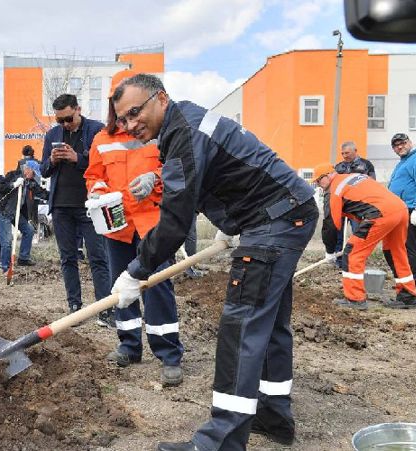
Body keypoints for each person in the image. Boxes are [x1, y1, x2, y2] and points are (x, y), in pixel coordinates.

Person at [109, 74, 318, 451]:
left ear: (161, 98)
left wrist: (135, 271)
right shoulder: (185, 124)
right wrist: (234, 226)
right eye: (123, 119)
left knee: (241, 325)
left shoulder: (183, 131)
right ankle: (274, 416)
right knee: (268, 323)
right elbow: (220, 176)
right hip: (282, 214)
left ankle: (218, 442)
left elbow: (174, 221)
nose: (130, 124)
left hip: (275, 220)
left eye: (135, 112)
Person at [85, 69, 183, 380]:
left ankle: (168, 353)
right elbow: (93, 176)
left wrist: (154, 179)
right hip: (116, 224)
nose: (128, 117)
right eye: (121, 110)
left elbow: (177, 172)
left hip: (151, 223)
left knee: (156, 286)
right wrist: (98, 192)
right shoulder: (101, 139)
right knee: (121, 286)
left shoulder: (158, 134)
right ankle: (129, 345)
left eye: (133, 109)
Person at [40, 93, 111, 316]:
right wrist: (52, 160)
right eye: (60, 120)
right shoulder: (52, 134)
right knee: (67, 257)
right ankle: (74, 306)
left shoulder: (97, 130)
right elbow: (43, 170)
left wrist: (77, 158)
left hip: (90, 204)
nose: (65, 124)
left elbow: (105, 165)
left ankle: (104, 308)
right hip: (61, 206)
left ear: (78, 109)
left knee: (98, 257)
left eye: (68, 118)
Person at [314, 163, 416, 310]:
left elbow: (331, 225)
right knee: (395, 252)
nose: (319, 186)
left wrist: (330, 251)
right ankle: (408, 296)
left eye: (319, 181)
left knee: (352, 253)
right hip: (400, 209)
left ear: (327, 176)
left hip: (380, 214)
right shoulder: (352, 177)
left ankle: (355, 299)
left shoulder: (334, 190)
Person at [387, 133, 416, 301]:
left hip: (412, 209)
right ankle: (405, 279)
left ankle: (414, 282)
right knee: (400, 246)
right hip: (401, 209)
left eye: (402, 143)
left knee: (408, 246)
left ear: (410, 143)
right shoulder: (403, 162)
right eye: (396, 145)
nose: (399, 147)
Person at [330, 141, 376, 267]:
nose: (345, 155)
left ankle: (358, 258)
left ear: (355, 151)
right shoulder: (339, 167)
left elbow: (372, 184)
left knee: (358, 231)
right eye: (342, 153)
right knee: (338, 233)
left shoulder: (366, 165)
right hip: (342, 205)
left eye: (347, 153)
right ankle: (339, 259)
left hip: (359, 206)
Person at [0, 166, 41, 273]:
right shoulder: (12, 175)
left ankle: (23, 258)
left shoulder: (30, 183)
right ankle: (6, 266)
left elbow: (41, 192)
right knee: (7, 240)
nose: (34, 176)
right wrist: (13, 184)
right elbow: (0, 187)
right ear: (27, 169)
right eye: (33, 173)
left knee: (29, 230)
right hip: (4, 212)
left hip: (16, 213)